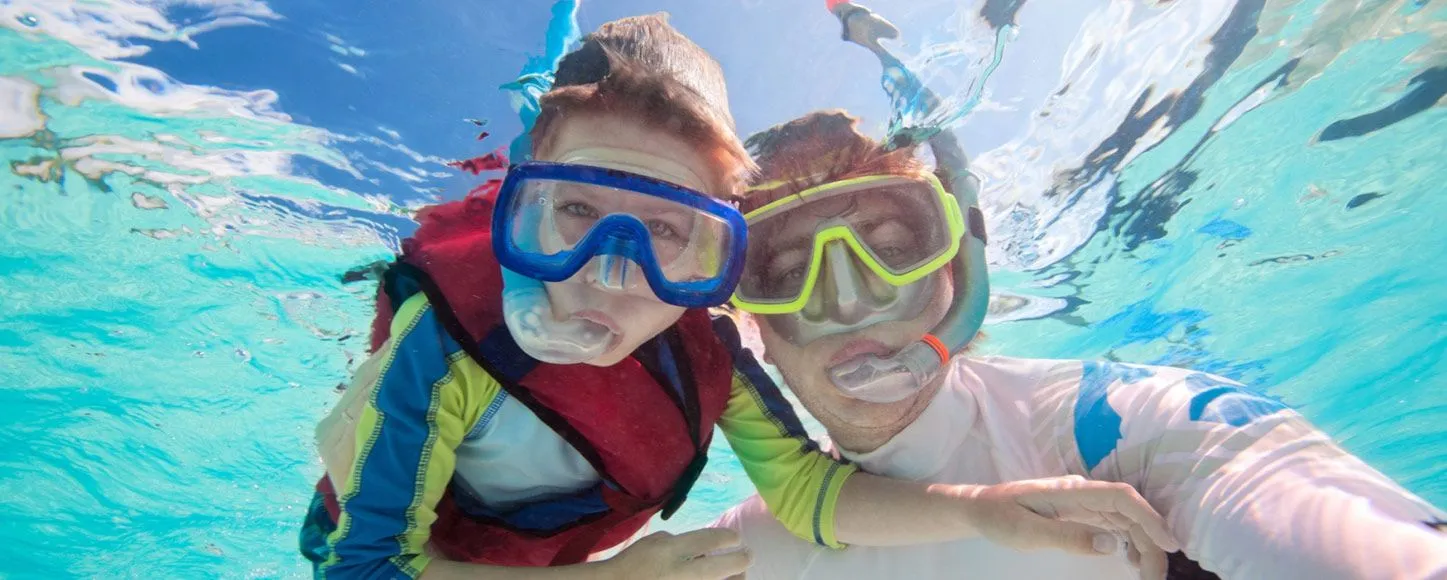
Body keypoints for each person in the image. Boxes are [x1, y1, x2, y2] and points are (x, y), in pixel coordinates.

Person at [298, 13, 1182, 580]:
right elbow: (363, 568)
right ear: (522, 205)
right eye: (575, 211)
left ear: (716, 250)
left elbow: (805, 491)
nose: (612, 272)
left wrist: (981, 514)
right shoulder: (444, 345)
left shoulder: (705, 352)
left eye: (667, 232)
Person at [712, 10, 1447, 580]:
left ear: (958, 266)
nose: (848, 300)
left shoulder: (1119, 432)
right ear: (748, 324)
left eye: (891, 246)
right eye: (783, 271)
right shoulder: (752, 545)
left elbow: (1286, 495)